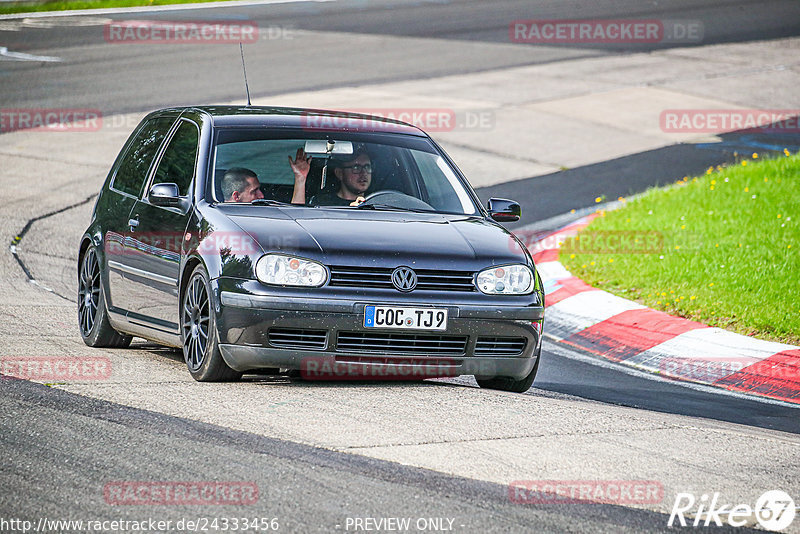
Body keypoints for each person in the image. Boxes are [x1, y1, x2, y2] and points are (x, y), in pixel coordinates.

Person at [289, 147, 372, 206]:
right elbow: (298, 217)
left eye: (367, 167)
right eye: (356, 167)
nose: (364, 173)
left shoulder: (378, 205)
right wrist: (300, 178)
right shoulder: (321, 203)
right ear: (339, 173)